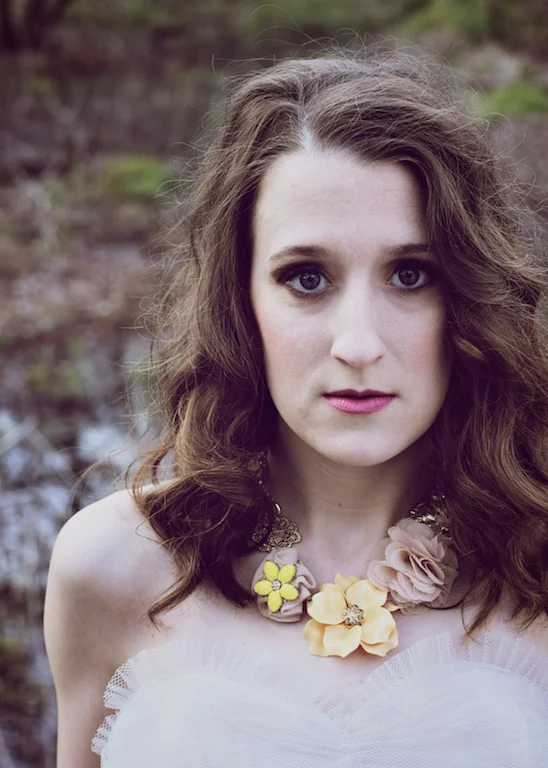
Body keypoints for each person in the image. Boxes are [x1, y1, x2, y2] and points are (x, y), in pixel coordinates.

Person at [44, 45, 548, 768]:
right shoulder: (112, 568)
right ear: (240, 301)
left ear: (470, 295)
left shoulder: (534, 570)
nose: (358, 344)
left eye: (411, 275)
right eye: (307, 278)